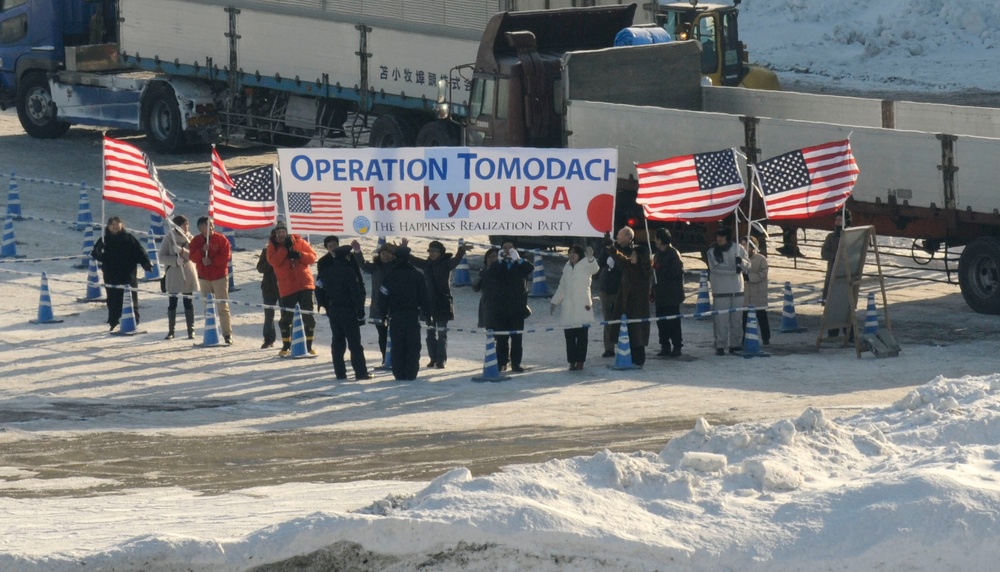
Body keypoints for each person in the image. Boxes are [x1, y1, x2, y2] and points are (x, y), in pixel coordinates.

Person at [410, 239, 472, 369]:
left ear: (440, 252)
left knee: (442, 333)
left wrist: (461, 251)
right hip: (428, 304)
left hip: (443, 303)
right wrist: (402, 250)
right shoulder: (426, 264)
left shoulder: (445, 263)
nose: (432, 254)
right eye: (430, 251)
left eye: (435, 251)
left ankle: (441, 360)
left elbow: (455, 261)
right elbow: (412, 260)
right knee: (430, 334)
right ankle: (433, 359)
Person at [318, 245, 372, 380]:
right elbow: (355, 294)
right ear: (347, 256)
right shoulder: (349, 272)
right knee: (354, 343)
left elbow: (318, 290)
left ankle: (340, 373)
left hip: (333, 310)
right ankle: (360, 372)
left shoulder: (326, 272)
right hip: (348, 310)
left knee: (337, 342)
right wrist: (360, 312)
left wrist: (325, 305)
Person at [266, 220, 319, 356]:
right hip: (287, 286)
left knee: (308, 316)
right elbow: (274, 262)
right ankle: (286, 346)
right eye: (278, 232)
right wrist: (284, 250)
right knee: (286, 318)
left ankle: (309, 346)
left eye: (283, 232)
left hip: (304, 284)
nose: (281, 235)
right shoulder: (272, 246)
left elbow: (312, 257)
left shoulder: (299, 242)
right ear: (275, 234)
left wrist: (299, 255)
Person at [91, 216, 152, 331]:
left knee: (130, 297)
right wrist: (99, 250)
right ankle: (113, 320)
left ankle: (134, 320)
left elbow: (140, 252)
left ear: (121, 224)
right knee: (113, 298)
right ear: (108, 226)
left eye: (117, 223)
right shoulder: (104, 239)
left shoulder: (128, 238)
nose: (114, 226)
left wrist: (146, 264)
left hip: (128, 274)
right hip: (111, 275)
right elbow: (96, 255)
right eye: (112, 224)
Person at [378, 246, 430, 380]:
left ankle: (399, 373)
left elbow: (383, 297)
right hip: (412, 315)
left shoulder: (390, 276)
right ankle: (411, 373)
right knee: (413, 345)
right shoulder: (417, 275)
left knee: (398, 345)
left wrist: (382, 314)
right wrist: (428, 315)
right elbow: (424, 297)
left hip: (395, 316)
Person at [550, 244, 599, 371]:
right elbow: (562, 286)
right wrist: (555, 302)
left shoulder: (586, 264)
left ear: (580, 254)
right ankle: (571, 361)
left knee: (582, 337)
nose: (572, 255)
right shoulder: (567, 267)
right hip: (568, 308)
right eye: (570, 252)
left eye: (575, 252)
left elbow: (595, 269)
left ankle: (580, 361)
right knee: (569, 337)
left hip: (582, 306)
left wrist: (591, 258)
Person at [488, 240, 534, 372]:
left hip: (517, 308)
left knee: (517, 338)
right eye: (504, 248)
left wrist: (518, 259)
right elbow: (491, 274)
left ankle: (516, 363)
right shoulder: (498, 264)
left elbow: (530, 269)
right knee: (502, 338)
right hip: (500, 308)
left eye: (510, 247)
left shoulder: (520, 264)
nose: (507, 250)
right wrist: (499, 261)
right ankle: (502, 362)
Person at [188, 216, 233, 344]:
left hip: (219, 278)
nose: (212, 227)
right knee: (208, 307)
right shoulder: (196, 241)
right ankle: (211, 332)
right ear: (201, 228)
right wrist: (202, 252)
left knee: (222, 306)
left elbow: (226, 256)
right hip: (203, 278)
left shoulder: (221, 239)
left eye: (212, 225)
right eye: (208, 225)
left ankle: (227, 334)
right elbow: (191, 256)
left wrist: (212, 261)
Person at [355, 241, 398, 365]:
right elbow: (362, 264)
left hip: (394, 306)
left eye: (388, 253)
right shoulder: (375, 267)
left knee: (396, 334)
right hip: (377, 307)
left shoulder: (396, 266)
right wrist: (358, 252)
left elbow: (405, 261)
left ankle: (396, 358)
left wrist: (401, 250)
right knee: (382, 335)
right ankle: (385, 357)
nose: (385, 256)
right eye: (383, 253)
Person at [706, 227, 747, 356]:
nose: (719, 239)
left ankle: (736, 344)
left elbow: (748, 266)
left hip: (737, 289)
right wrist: (735, 269)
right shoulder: (712, 251)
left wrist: (741, 262)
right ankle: (720, 344)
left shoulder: (738, 248)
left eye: (722, 236)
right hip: (720, 291)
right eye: (718, 236)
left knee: (737, 320)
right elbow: (715, 268)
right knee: (721, 321)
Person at [611, 244, 652, 366]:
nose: (632, 256)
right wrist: (612, 250)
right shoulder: (628, 266)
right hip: (625, 304)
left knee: (637, 334)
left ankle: (639, 360)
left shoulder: (645, 270)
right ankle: (628, 357)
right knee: (626, 332)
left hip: (639, 306)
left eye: (634, 254)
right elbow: (620, 259)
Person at [597, 226, 634, 357]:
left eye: (620, 235)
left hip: (620, 289)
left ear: (628, 237)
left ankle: (623, 344)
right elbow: (600, 262)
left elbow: (625, 268)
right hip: (606, 288)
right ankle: (609, 348)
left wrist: (613, 253)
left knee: (621, 318)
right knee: (608, 318)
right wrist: (604, 248)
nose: (617, 237)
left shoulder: (631, 251)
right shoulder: (612, 246)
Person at [158, 215, 197, 340]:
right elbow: (161, 257)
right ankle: (171, 331)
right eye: (184, 224)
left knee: (188, 303)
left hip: (188, 273)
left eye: (187, 224)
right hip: (173, 274)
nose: (186, 226)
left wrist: (183, 252)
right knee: (172, 303)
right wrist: (174, 260)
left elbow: (196, 255)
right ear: (176, 226)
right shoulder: (169, 238)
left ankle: (191, 330)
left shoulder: (190, 238)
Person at [652, 228, 685, 357]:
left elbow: (677, 273)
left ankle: (677, 346)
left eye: (656, 238)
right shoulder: (657, 254)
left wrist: (662, 269)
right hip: (660, 294)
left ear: (661, 240)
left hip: (672, 294)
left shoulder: (673, 254)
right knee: (661, 322)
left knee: (673, 322)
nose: (655, 241)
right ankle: (664, 345)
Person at [821, 212, 853, 339]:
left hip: (846, 275)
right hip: (832, 276)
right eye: (836, 220)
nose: (837, 222)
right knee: (832, 305)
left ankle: (849, 332)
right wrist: (835, 256)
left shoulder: (850, 236)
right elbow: (824, 253)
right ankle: (832, 332)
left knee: (846, 305)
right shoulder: (831, 237)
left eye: (840, 220)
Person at [741, 236, 771, 345]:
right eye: (742, 244)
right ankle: (744, 338)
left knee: (761, 316)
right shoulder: (741, 258)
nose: (743, 247)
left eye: (745, 244)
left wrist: (748, 277)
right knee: (744, 318)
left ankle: (766, 337)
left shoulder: (761, 259)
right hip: (746, 293)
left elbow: (763, 274)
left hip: (758, 293)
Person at [256, 246, 279, 349]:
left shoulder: (288, 250)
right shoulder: (266, 251)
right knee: (269, 315)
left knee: (286, 315)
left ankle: (288, 339)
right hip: (268, 287)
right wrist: (272, 262)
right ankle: (268, 339)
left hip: (284, 286)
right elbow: (260, 268)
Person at [472, 247, 500, 330]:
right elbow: (476, 288)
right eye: (489, 257)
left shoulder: (503, 270)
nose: (491, 259)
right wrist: (476, 282)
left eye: (494, 256)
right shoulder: (483, 272)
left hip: (501, 305)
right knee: (490, 334)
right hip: (487, 305)